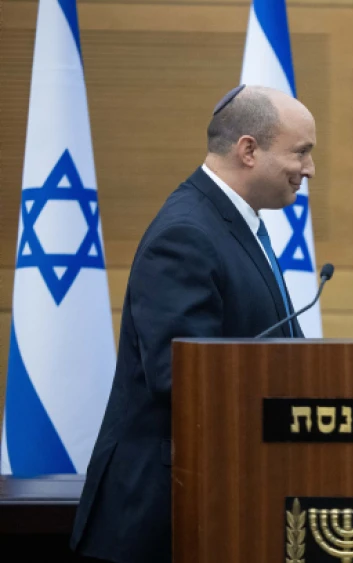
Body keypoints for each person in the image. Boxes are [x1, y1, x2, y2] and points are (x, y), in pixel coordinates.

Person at [70, 85, 317, 563]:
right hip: (166, 514)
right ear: (249, 149)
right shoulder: (187, 233)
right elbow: (182, 377)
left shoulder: (233, 221)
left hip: (218, 499)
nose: (309, 170)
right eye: (301, 152)